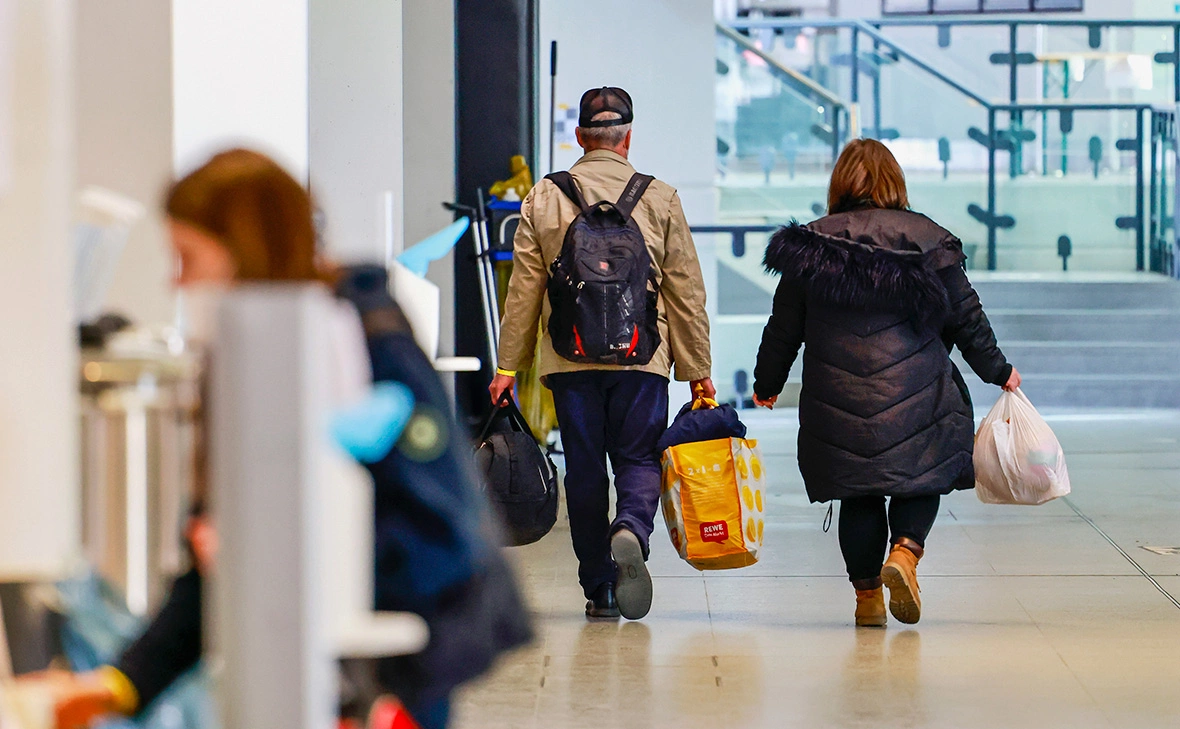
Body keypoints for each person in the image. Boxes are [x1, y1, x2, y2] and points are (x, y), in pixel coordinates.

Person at [33, 149, 525, 729]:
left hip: (395, 656)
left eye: (188, 258)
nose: (176, 281)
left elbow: (434, 524)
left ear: (242, 244)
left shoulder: (359, 333)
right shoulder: (250, 362)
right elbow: (212, 555)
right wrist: (121, 684)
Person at [751, 139, 1020, 628]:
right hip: (917, 394)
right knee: (923, 472)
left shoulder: (810, 245)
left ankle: (867, 598)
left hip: (837, 398)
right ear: (895, 182)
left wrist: (767, 382)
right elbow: (966, 317)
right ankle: (905, 553)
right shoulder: (929, 239)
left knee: (860, 492)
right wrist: (998, 370)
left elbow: (784, 325)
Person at [490, 87, 713, 621]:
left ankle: (600, 588)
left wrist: (507, 366)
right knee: (638, 457)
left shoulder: (544, 197)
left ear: (579, 137)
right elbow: (686, 290)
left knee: (586, 471)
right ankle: (631, 527)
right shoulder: (659, 197)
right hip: (643, 358)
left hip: (571, 361)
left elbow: (524, 289)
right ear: (628, 138)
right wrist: (697, 371)